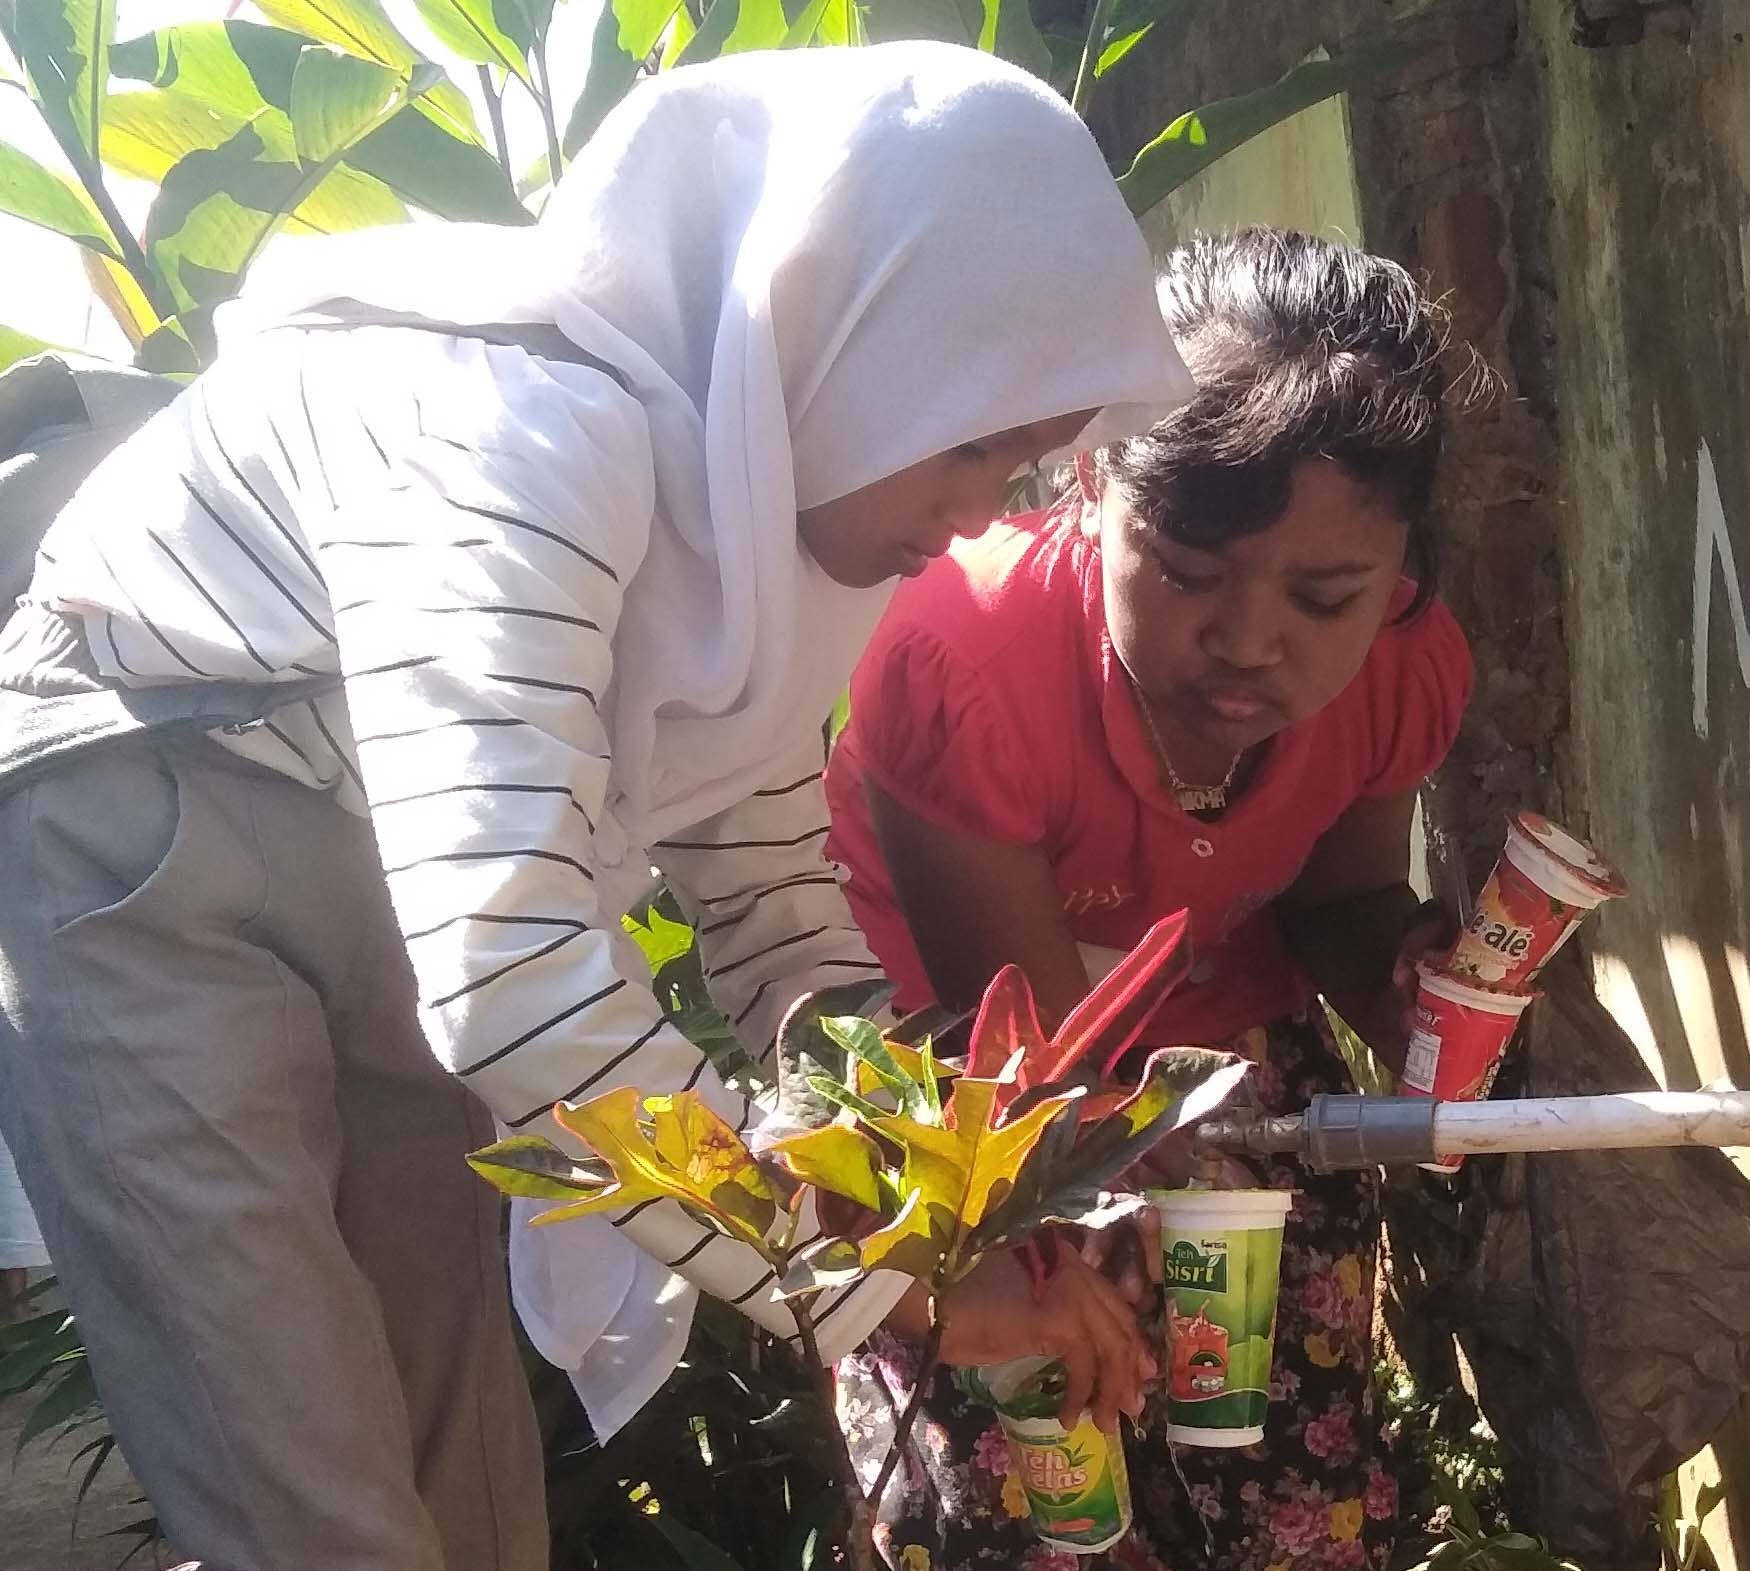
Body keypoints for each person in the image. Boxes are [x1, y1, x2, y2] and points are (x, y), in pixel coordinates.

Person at [0, 44, 1195, 1571]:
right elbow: (506, 973)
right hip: (138, 826)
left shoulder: (756, 507)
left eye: (1020, 465)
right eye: (967, 443)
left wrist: (953, 1207)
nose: (982, 513)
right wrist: (871, 1285)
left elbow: (775, 922)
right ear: (836, 337)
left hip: (372, 859)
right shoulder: (518, 426)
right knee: (304, 1502)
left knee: (468, 1495)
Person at [823, 227, 1474, 1571]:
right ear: (1086, 481)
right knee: (1037, 1477)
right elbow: (1026, 1067)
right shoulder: (967, 658)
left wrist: (1411, 974)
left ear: (1397, 572)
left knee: (1283, 1498)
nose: (1247, 639)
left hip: (1209, 1057)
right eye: (1183, 572)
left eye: (1324, 594)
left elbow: (1337, 904)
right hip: (980, 1093)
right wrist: (1105, 1205)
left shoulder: (1401, 668)